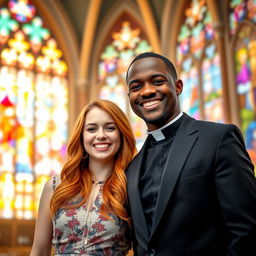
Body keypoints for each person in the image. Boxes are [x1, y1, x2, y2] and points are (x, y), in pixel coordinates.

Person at [125, 52, 256, 256]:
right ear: (130, 98)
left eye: (157, 81)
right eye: (136, 86)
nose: (147, 91)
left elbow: (246, 229)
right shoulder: (132, 167)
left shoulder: (218, 139)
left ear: (178, 86)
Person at [30, 99, 137, 255]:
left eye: (110, 128)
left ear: (121, 134)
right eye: (92, 129)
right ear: (81, 136)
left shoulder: (131, 186)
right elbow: (39, 250)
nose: (101, 135)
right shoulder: (55, 186)